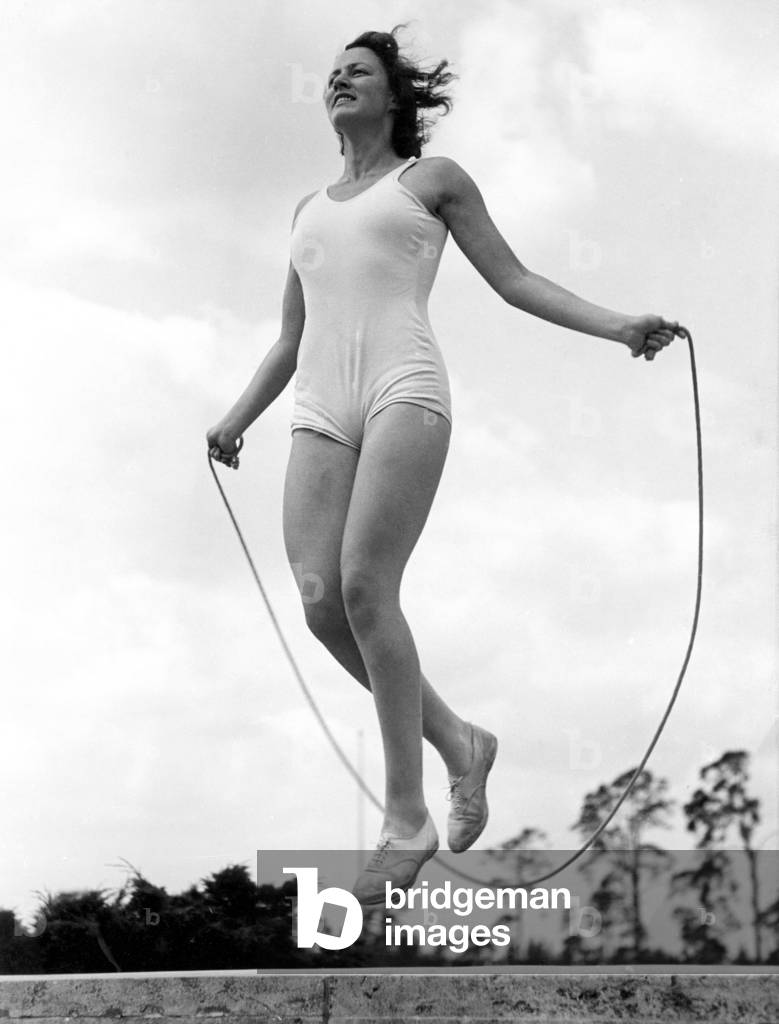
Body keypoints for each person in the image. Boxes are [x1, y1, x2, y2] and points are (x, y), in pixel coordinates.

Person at [206, 26, 681, 905]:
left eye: (358, 71)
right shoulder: (307, 209)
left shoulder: (432, 180)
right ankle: (461, 742)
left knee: (364, 586)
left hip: (404, 388)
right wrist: (235, 419)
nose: (338, 80)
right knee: (319, 602)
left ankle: (405, 818)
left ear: (394, 96)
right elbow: (289, 337)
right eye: (331, 73)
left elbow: (514, 279)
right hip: (319, 405)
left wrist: (618, 325)